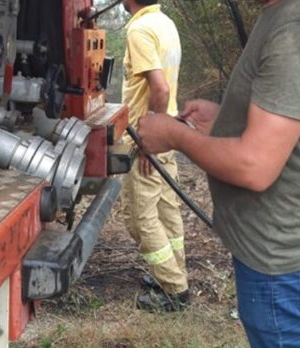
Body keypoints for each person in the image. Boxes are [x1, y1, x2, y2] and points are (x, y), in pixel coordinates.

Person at [136, 0, 300, 345]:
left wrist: (175, 136)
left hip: (282, 256)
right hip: (286, 242)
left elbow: (255, 166)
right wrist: (224, 119)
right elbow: (295, 124)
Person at [119, 0, 189, 311]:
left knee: (140, 217)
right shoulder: (165, 23)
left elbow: (159, 89)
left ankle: (175, 290)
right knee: (166, 210)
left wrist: (149, 141)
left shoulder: (139, 28)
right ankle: (173, 273)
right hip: (168, 130)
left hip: (146, 139)